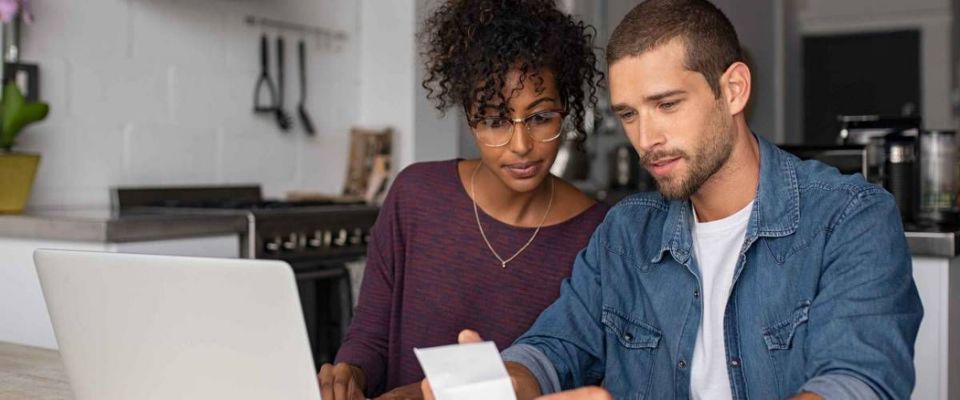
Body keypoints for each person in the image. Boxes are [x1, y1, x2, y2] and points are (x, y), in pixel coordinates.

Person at [423, 0, 924, 399]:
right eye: (629, 114)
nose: (646, 137)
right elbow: (556, 345)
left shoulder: (849, 217)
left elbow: (858, 384)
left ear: (733, 89)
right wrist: (505, 382)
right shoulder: (626, 233)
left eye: (666, 104)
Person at [317, 0, 607, 398]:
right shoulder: (415, 196)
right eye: (494, 120)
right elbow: (370, 337)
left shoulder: (600, 235)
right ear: (469, 118)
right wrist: (350, 373)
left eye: (540, 117)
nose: (521, 145)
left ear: (566, 110)